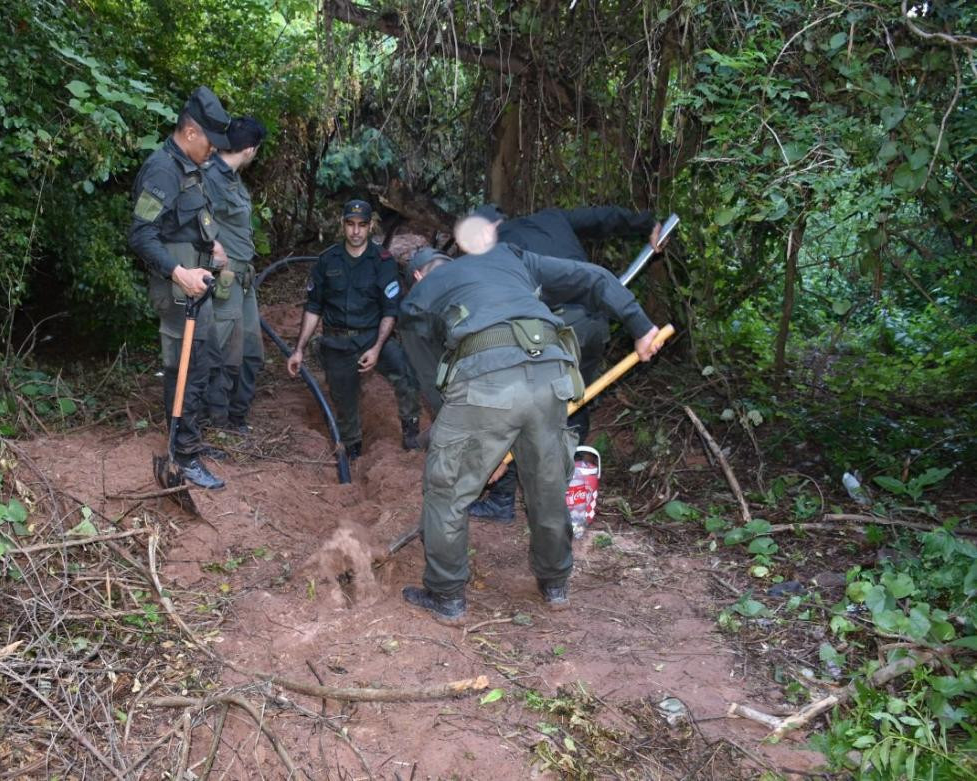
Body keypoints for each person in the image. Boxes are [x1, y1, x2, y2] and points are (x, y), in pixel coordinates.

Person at [398, 217, 662, 625]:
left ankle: (446, 594)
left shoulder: (418, 300)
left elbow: (433, 383)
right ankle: (554, 584)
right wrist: (641, 328)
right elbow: (595, 278)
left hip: (485, 382)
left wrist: (464, 439)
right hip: (553, 376)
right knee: (547, 485)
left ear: (418, 275)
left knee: (446, 490)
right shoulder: (509, 256)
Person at [466, 203, 667, 522]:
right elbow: (605, 217)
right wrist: (648, 223)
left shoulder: (497, 250)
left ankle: (502, 501)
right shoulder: (550, 218)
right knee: (578, 399)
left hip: (555, 332)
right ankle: (567, 486)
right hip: (595, 324)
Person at [128, 86, 231, 490]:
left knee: (198, 364)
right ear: (190, 132)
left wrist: (212, 247)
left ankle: (187, 441)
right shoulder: (162, 171)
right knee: (187, 366)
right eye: (210, 142)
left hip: (195, 285)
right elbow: (141, 235)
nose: (214, 151)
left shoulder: (190, 167)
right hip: (178, 290)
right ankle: (183, 456)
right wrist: (179, 272)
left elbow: (190, 223)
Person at [286, 200, 422, 459]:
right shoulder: (327, 260)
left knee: (406, 373)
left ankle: (412, 433)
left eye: (362, 225)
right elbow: (313, 307)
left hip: (374, 337)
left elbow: (389, 310)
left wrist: (377, 348)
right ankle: (353, 450)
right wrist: (298, 350)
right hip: (337, 343)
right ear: (343, 225)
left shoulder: (382, 261)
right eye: (350, 224)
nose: (356, 231)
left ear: (370, 226)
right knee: (344, 402)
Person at [202, 116, 267, 434]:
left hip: (245, 282)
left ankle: (237, 418)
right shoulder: (210, 175)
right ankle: (216, 424)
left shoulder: (232, 179)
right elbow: (191, 212)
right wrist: (214, 246)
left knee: (251, 354)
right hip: (225, 281)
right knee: (224, 356)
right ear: (251, 150)